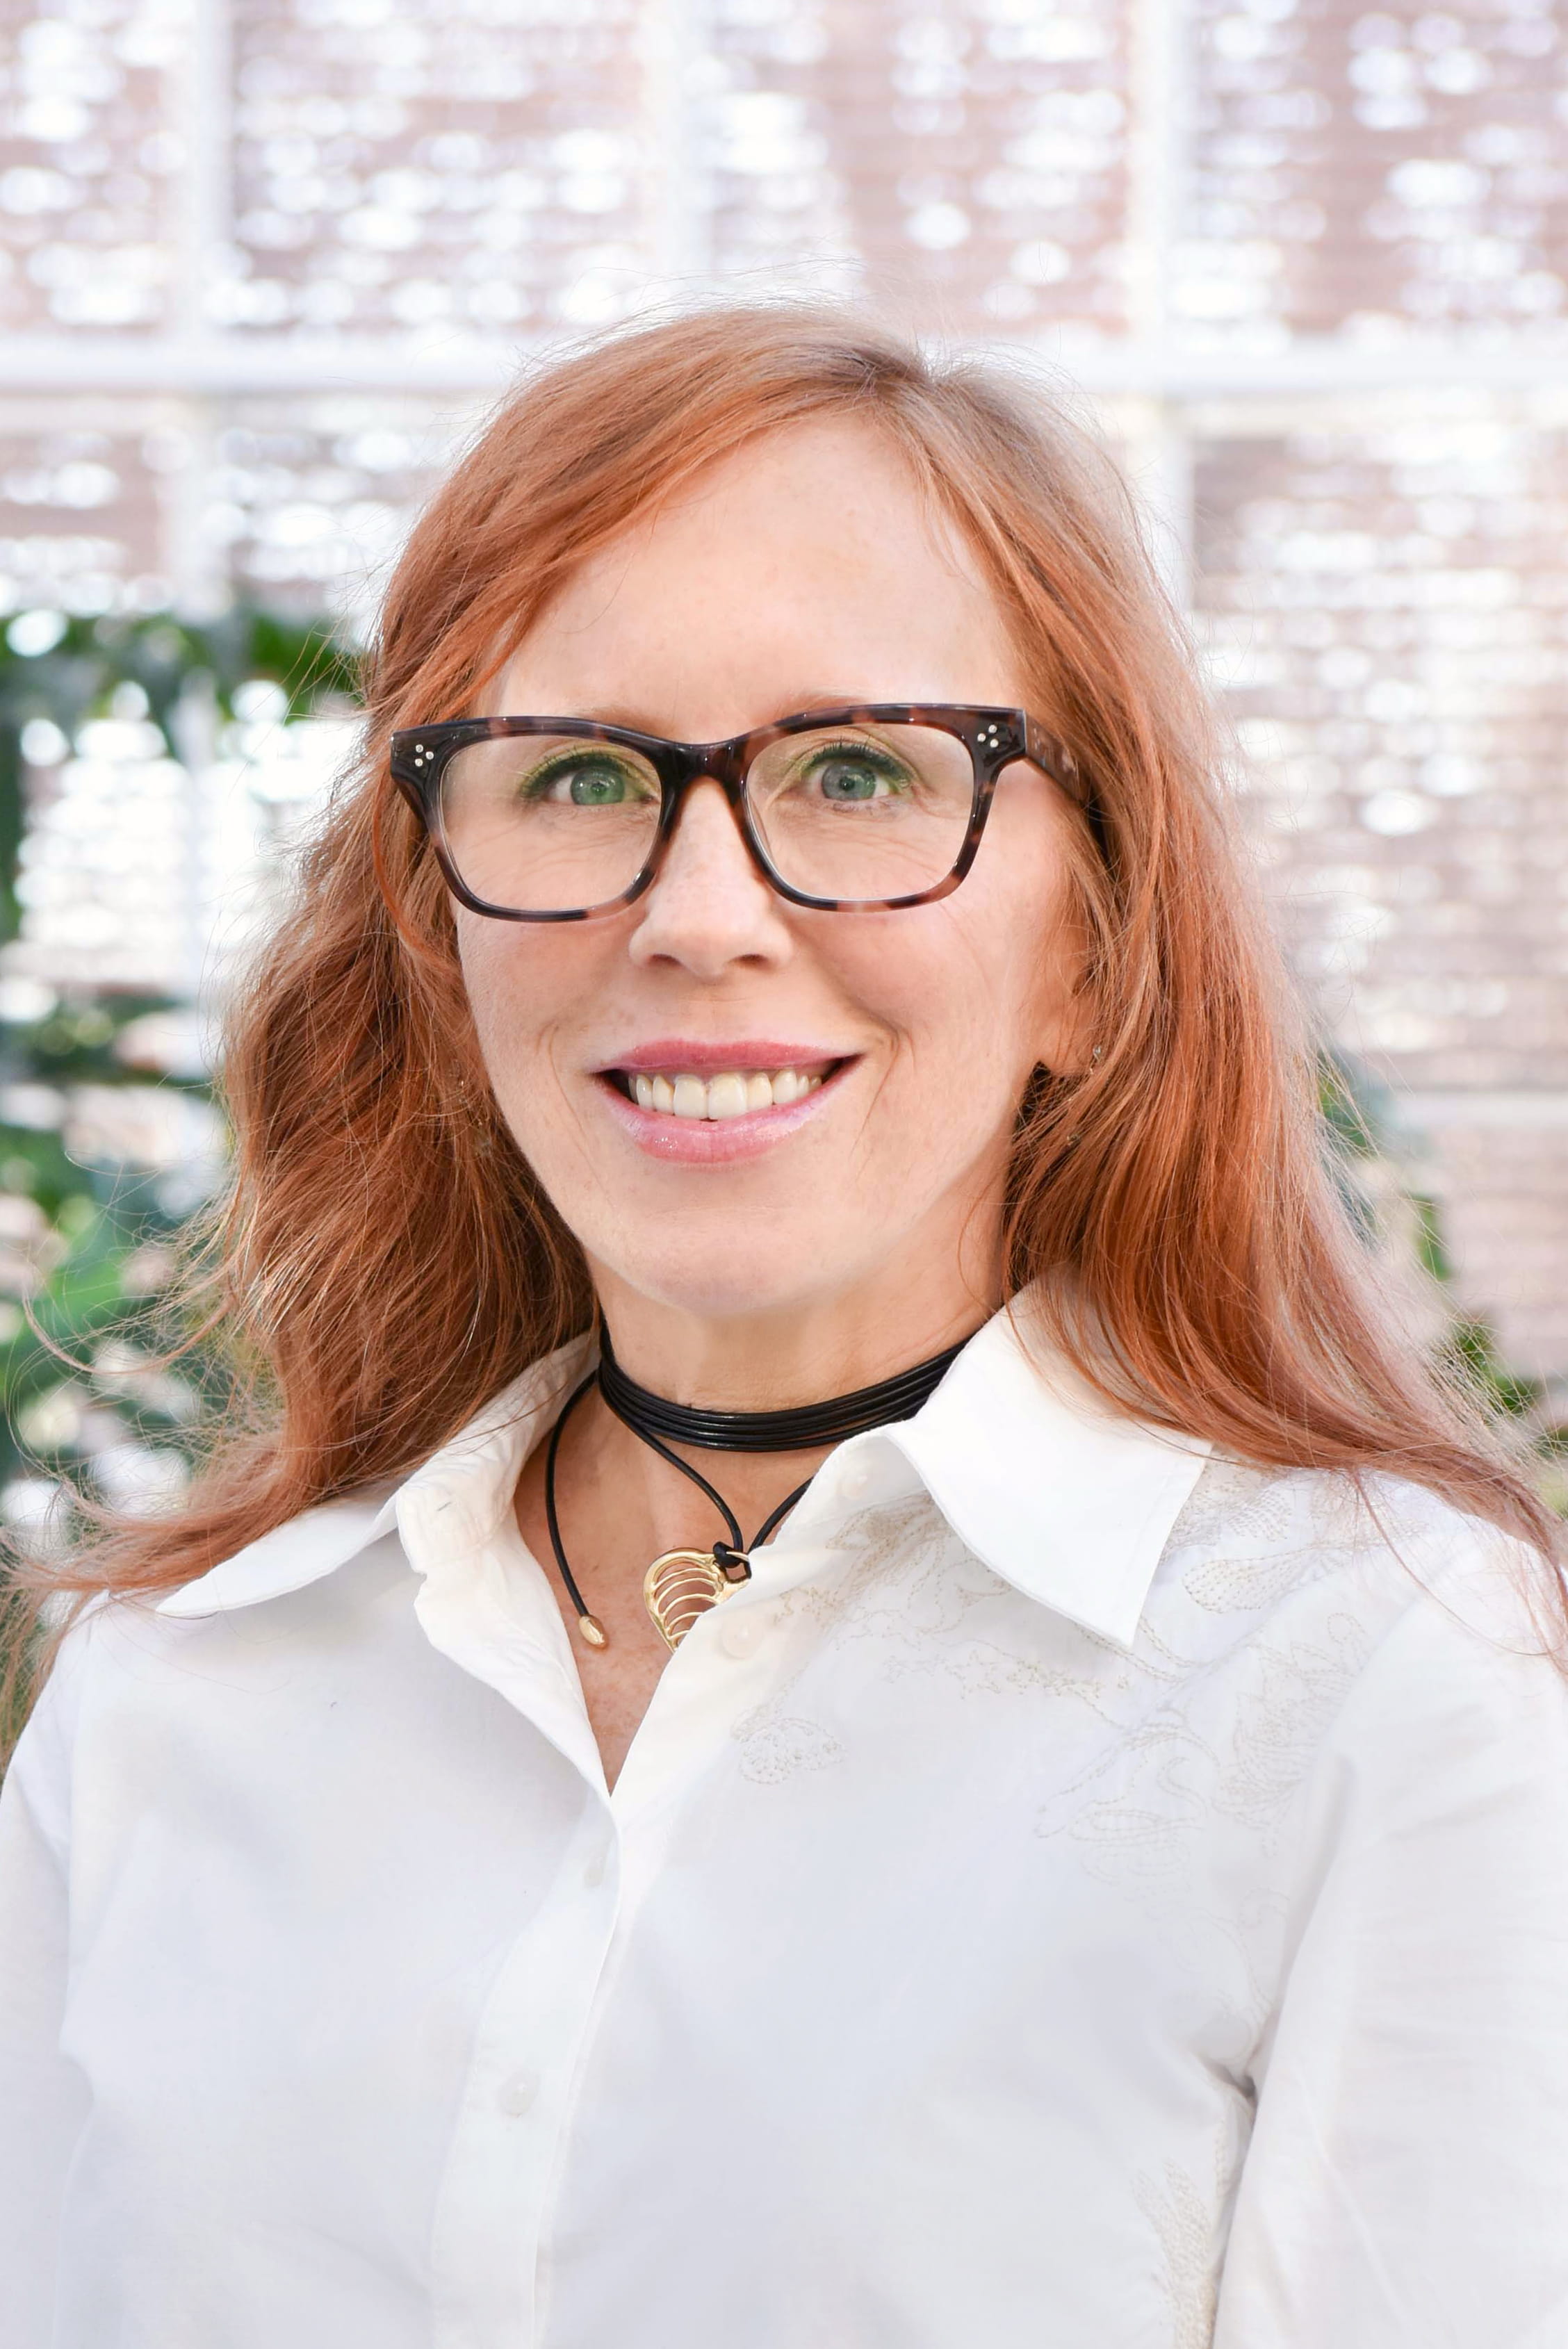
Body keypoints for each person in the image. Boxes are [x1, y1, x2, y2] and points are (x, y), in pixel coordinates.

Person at [1, 306, 1565, 2349]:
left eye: (855, 769)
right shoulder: (164, 1703)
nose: (701, 912)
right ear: (438, 932)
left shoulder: (1381, 1686)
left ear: (1094, 947)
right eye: (576, 774)